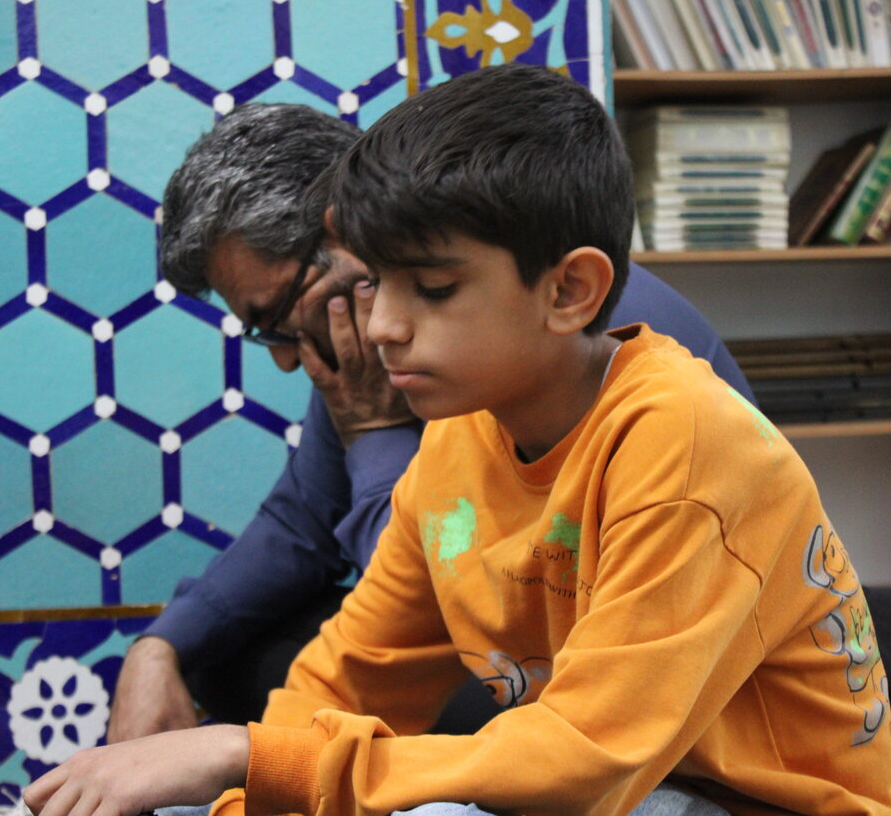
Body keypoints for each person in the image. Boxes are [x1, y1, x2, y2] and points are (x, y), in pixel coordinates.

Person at [26, 65, 891, 816]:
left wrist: (246, 754)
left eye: (431, 288)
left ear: (570, 291)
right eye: (376, 282)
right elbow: (351, 671)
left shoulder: (682, 444)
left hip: (744, 812)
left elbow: (586, 766)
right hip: (596, 773)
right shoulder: (457, 427)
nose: (382, 324)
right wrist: (229, 802)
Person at [107, 102, 755, 741]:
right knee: (233, 656)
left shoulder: (563, 350)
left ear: (342, 238)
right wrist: (161, 647)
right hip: (532, 652)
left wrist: (375, 435)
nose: (284, 356)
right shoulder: (399, 346)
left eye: (277, 314)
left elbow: (477, 605)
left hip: (636, 682)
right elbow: (306, 522)